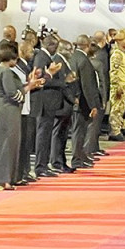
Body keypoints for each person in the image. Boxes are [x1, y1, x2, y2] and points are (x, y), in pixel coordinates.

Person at [0, 42, 43, 190]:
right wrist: (29, 87)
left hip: (0, 108)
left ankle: (0, 178)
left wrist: (29, 82)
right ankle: (5, 178)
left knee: (0, 144)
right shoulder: (6, 72)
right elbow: (13, 94)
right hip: (7, 110)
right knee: (8, 144)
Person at [31, 34, 64, 177]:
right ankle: (40, 166)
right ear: (50, 45)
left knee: (46, 135)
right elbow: (39, 80)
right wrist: (62, 82)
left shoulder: (45, 58)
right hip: (44, 102)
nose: (56, 50)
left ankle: (44, 165)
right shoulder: (41, 58)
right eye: (55, 47)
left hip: (49, 103)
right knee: (43, 136)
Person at [69, 34, 101, 169]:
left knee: (78, 131)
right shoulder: (84, 61)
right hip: (82, 102)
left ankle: (80, 156)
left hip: (74, 100)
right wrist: (93, 105)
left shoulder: (72, 58)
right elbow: (88, 85)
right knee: (79, 132)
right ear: (87, 46)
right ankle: (77, 159)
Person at [50, 39, 78, 173]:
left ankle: (61, 161)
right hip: (60, 103)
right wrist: (73, 99)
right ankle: (56, 161)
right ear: (62, 50)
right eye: (69, 49)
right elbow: (62, 84)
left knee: (63, 134)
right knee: (58, 133)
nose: (72, 52)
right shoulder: (57, 61)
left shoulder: (64, 62)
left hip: (66, 104)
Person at [13, 41, 37, 184]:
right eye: (30, 50)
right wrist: (30, 84)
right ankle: (19, 173)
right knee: (21, 145)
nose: (32, 53)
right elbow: (19, 86)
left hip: (25, 107)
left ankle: (24, 171)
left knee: (26, 144)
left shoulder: (24, 65)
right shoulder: (17, 66)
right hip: (20, 109)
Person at [85, 40, 109, 159]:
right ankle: (92, 148)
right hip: (97, 97)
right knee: (95, 125)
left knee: (90, 126)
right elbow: (102, 83)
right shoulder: (98, 64)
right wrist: (104, 99)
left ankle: (92, 148)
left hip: (86, 97)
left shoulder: (84, 62)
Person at [108, 29, 125, 141]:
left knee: (123, 109)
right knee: (116, 109)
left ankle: (122, 127)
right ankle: (115, 131)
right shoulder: (117, 55)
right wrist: (117, 86)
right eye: (124, 40)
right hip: (119, 86)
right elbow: (114, 72)